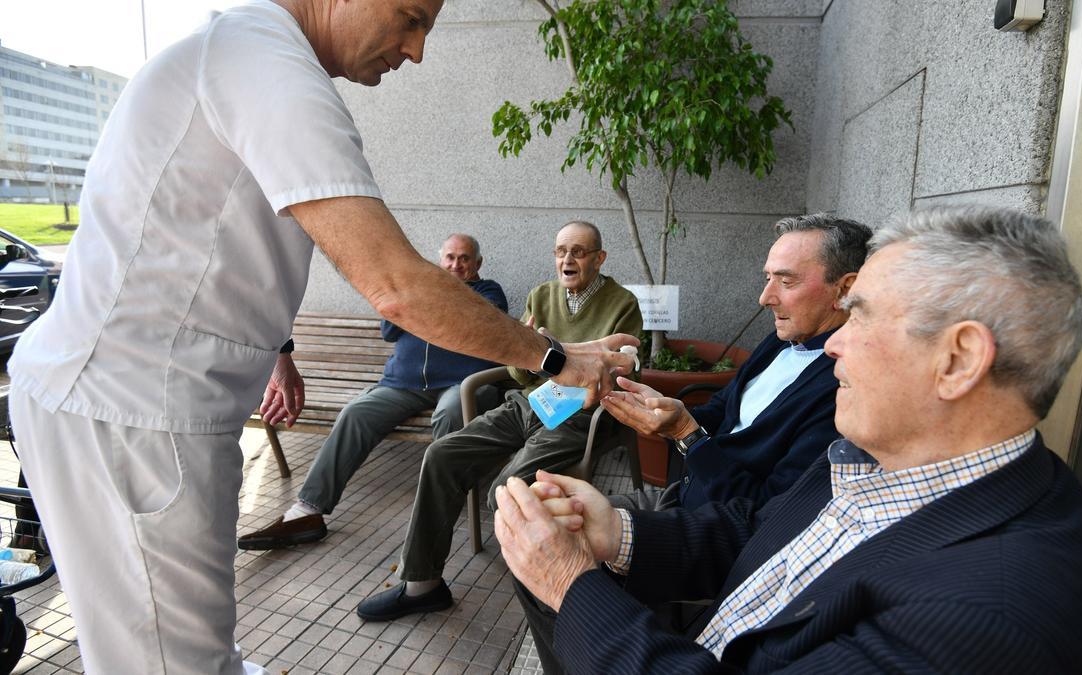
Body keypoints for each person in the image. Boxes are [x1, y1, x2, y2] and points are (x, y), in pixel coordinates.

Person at [5, 1, 635, 673]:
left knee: (191, 653)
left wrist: (278, 354)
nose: (417, 50)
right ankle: (391, 556)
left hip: (143, 408)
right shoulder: (263, 58)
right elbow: (394, 283)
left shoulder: (249, 56)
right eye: (410, 16)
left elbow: (209, 233)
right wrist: (553, 358)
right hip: (133, 417)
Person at [495, 206, 1082, 674]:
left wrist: (572, 583)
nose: (833, 341)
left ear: (959, 359)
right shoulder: (875, 459)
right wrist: (616, 533)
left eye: (862, 316)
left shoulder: (990, 619)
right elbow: (758, 534)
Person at [354, 220, 643, 622]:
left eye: (578, 251)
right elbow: (520, 373)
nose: (567, 259)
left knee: (503, 493)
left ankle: (567, 592)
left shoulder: (622, 303)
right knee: (442, 455)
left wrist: (559, 358)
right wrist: (526, 355)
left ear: (599, 258)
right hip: (528, 405)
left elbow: (621, 373)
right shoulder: (542, 296)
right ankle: (423, 584)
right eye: (561, 251)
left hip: (579, 415)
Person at [237, 234, 508, 550]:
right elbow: (389, 328)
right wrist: (420, 292)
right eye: (450, 257)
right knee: (356, 413)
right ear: (440, 260)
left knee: (449, 412)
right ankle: (308, 510)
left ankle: (442, 501)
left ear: (478, 264)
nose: (456, 264)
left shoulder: (489, 292)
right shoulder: (417, 289)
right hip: (404, 385)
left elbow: (481, 324)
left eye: (464, 258)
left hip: (460, 384)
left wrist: (433, 296)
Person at [602, 213, 871, 513]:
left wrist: (687, 434)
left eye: (786, 281)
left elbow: (764, 512)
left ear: (845, 290)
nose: (764, 297)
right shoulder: (781, 340)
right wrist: (665, 413)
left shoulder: (843, 388)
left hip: (708, 534)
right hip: (682, 497)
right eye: (768, 278)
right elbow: (723, 409)